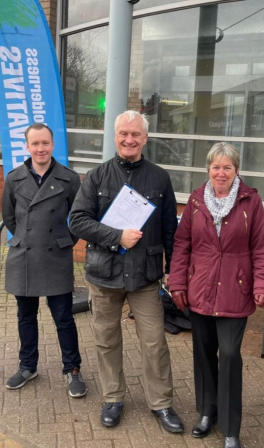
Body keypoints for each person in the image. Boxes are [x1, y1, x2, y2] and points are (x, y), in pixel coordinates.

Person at [69, 110, 184, 432]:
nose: (129, 139)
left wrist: (174, 270)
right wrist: (115, 236)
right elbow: (77, 220)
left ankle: (161, 403)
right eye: (123, 134)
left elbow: (169, 229)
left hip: (145, 276)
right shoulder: (96, 176)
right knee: (106, 340)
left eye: (135, 134)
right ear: (115, 136)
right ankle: (113, 398)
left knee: (154, 343)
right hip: (104, 275)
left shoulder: (160, 178)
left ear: (145, 138)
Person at [169, 142, 264, 448]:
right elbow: (182, 244)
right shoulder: (196, 200)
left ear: (236, 170)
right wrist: (177, 282)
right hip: (199, 288)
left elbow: (262, 249)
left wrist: (263, 285)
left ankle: (230, 428)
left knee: (228, 355)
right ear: (208, 169)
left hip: (235, 290)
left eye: (227, 167)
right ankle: (206, 412)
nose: (221, 172)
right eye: (216, 167)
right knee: (202, 354)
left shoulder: (250, 202)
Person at [3, 123, 86, 398]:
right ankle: (28, 366)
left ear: (53, 145)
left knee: (63, 317)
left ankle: (72, 368)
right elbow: (10, 218)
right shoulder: (13, 178)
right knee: (25, 316)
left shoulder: (69, 178)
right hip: (24, 255)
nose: (41, 148)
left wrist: (65, 240)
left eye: (46, 143)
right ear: (27, 146)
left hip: (56, 256)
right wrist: (25, 240)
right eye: (35, 143)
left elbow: (79, 216)